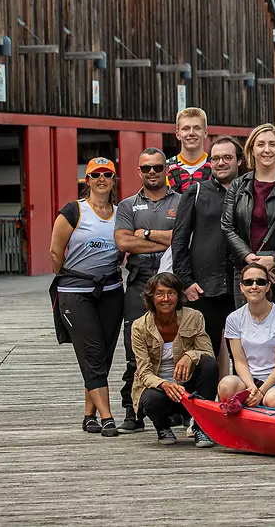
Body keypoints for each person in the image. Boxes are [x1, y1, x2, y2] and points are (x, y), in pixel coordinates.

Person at [49, 157, 124, 437]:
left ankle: (88, 415)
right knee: (91, 351)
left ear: (114, 180)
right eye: (96, 175)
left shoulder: (121, 212)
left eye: (107, 174)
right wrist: (71, 277)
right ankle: (107, 417)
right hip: (75, 292)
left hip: (111, 291)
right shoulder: (73, 211)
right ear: (87, 180)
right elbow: (55, 252)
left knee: (101, 356)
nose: (101, 179)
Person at [114, 148, 181, 434]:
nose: (152, 172)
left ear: (166, 169)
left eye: (157, 167)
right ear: (138, 171)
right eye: (146, 168)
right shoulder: (128, 205)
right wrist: (163, 240)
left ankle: (176, 410)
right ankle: (133, 410)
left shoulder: (181, 200)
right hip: (140, 280)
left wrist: (143, 234)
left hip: (173, 281)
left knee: (175, 344)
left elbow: (181, 239)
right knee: (134, 347)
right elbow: (123, 244)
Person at [172, 136, 243, 380]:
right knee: (204, 356)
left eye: (227, 157)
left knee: (244, 354)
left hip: (241, 287)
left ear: (240, 161)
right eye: (215, 158)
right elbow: (179, 240)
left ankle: (247, 411)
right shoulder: (196, 191)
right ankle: (201, 415)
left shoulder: (248, 192)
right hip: (204, 288)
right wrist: (185, 281)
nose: (221, 163)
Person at [222, 123, 275, 310]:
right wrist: (248, 258)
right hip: (245, 272)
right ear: (252, 150)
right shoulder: (238, 186)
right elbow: (227, 227)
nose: (267, 150)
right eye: (261, 144)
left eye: (272, 144)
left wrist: (274, 259)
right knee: (245, 331)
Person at [131, 272, 217, 447]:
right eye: (159, 293)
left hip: (189, 388)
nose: (166, 299)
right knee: (149, 398)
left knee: (209, 364)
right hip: (161, 390)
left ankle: (201, 427)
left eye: (171, 293)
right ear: (151, 297)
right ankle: (162, 427)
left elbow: (208, 353)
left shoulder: (194, 317)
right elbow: (144, 372)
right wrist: (163, 384)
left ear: (178, 296)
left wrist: (189, 356)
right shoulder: (139, 326)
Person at [217, 264, 275, 410]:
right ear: (241, 287)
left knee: (273, 399)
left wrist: (261, 392)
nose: (254, 286)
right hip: (248, 381)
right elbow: (240, 361)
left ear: (268, 287)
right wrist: (251, 389)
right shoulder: (234, 319)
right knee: (225, 386)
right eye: (248, 282)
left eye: (260, 282)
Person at [166, 107, 212, 194]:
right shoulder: (165, 169)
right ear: (178, 134)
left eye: (197, 128)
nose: (191, 133)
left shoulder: (216, 167)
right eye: (186, 129)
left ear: (205, 133)